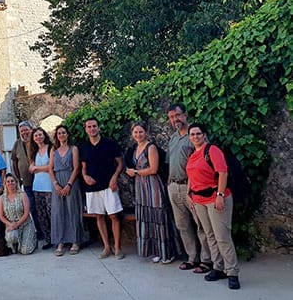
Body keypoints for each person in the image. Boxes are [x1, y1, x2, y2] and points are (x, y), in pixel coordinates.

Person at [186, 123, 241, 290]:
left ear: (204, 135)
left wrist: (220, 195)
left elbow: (223, 172)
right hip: (199, 200)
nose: (195, 137)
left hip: (215, 198)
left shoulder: (212, 151)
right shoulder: (192, 154)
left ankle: (232, 272)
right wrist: (190, 195)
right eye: (192, 134)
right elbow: (191, 175)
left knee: (222, 236)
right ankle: (218, 267)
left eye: (198, 134)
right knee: (210, 235)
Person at [125, 122, 180, 263]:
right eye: (135, 132)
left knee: (159, 217)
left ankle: (167, 252)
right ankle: (156, 250)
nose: (138, 134)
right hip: (141, 187)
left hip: (152, 185)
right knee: (147, 217)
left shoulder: (151, 147)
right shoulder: (135, 148)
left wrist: (135, 172)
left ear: (146, 132)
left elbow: (153, 169)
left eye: (141, 132)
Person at [167, 104, 212, 272]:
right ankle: (192, 257)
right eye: (171, 117)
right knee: (182, 225)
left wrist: (193, 187)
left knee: (201, 224)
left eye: (177, 115)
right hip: (173, 186)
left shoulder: (194, 136)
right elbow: (170, 162)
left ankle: (207, 260)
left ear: (185, 115)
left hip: (191, 187)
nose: (175, 119)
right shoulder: (173, 138)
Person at [81, 117, 125, 260]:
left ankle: (117, 248)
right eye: (89, 126)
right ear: (86, 129)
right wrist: (85, 177)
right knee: (99, 216)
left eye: (94, 126)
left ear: (98, 128)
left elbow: (120, 163)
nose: (92, 129)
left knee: (114, 216)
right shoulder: (84, 147)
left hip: (109, 185)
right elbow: (83, 168)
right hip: (92, 187)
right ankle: (106, 247)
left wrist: (114, 177)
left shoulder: (109, 144)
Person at [49, 125, 85, 256]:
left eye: (63, 133)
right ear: (56, 136)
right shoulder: (53, 150)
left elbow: (76, 168)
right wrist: (56, 184)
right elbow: (50, 169)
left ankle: (75, 241)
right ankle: (60, 241)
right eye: (59, 133)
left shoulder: (73, 149)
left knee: (72, 210)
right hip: (57, 182)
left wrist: (69, 184)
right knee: (58, 212)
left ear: (67, 134)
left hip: (71, 181)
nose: (61, 135)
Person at [11, 121, 40, 239]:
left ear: (31, 129)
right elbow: (14, 160)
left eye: (26, 130)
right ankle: (39, 231)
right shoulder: (17, 144)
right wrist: (17, 178)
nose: (24, 133)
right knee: (32, 207)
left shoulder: (37, 141)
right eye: (22, 131)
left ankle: (49, 230)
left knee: (43, 206)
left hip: (40, 181)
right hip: (27, 183)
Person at [0, 173, 37, 254]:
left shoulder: (22, 195)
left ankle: (33, 240)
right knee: (11, 237)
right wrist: (10, 224)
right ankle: (14, 244)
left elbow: (26, 213)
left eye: (12, 181)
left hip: (25, 224)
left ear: (16, 182)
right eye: (8, 181)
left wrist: (17, 224)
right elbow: (1, 216)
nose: (10, 183)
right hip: (11, 225)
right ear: (5, 184)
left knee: (25, 251)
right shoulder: (2, 198)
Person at [28, 127, 53, 250]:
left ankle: (57, 238)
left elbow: (51, 167)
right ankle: (48, 239)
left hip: (49, 186)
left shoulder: (50, 149)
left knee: (52, 213)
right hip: (37, 187)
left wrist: (37, 168)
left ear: (44, 135)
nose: (38, 137)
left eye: (40, 134)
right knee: (42, 215)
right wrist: (41, 167)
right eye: (36, 135)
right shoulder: (34, 151)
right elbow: (30, 169)